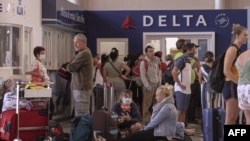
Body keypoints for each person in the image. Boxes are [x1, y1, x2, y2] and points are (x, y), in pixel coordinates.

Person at [108, 83, 184, 141]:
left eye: (157, 95)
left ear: (163, 96)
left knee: (137, 136)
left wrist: (144, 128)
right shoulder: (167, 105)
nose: (156, 97)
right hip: (160, 131)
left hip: (162, 133)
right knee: (138, 135)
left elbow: (155, 121)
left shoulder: (167, 107)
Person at [223, 24, 248, 125]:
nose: (247, 37)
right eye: (245, 35)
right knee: (230, 119)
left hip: (236, 84)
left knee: (235, 118)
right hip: (231, 85)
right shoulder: (232, 50)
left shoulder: (238, 50)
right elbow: (226, 71)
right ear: (237, 36)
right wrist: (240, 83)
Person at [66, 33, 93, 116]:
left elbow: (71, 67)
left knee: (81, 113)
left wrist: (69, 64)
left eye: (77, 42)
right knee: (80, 111)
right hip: (80, 88)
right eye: (74, 42)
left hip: (82, 89)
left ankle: (82, 129)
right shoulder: (83, 52)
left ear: (84, 42)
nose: (75, 45)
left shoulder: (84, 53)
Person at [171, 43, 196, 131]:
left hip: (187, 88)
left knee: (184, 110)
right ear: (188, 50)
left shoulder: (188, 60)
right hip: (181, 89)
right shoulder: (181, 59)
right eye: (193, 50)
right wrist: (179, 84)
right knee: (180, 109)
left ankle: (182, 129)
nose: (195, 52)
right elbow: (174, 72)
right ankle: (174, 129)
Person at [140, 44, 161, 124]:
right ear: (146, 53)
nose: (152, 53)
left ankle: (154, 120)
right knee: (146, 105)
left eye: (153, 51)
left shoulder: (156, 61)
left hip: (156, 86)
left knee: (156, 105)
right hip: (148, 87)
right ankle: (146, 121)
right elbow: (143, 76)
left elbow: (158, 73)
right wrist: (147, 86)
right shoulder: (144, 62)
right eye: (150, 51)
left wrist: (159, 83)